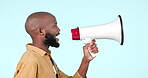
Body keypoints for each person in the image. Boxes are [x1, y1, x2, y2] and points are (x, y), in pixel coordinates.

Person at [14, 12, 99, 78]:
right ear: (41, 32)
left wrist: (86, 60)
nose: (59, 30)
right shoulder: (30, 61)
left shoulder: (45, 57)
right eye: (54, 26)